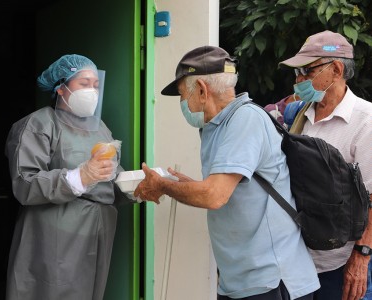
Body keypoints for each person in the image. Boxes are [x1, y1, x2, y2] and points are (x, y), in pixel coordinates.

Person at [134, 45, 320, 299]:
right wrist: (189, 185)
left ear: (201, 89)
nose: (182, 103)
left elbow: (214, 195)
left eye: (181, 95)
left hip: (271, 281)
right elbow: (226, 189)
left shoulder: (245, 120)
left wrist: (162, 185)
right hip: (242, 280)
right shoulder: (218, 126)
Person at [5, 54, 134, 300]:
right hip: (55, 234)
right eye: (83, 84)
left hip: (97, 232)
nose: (92, 91)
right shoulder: (38, 124)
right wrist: (78, 177)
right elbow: (25, 183)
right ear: (61, 88)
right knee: (50, 291)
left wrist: (136, 188)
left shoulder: (100, 128)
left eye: (96, 85)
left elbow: (109, 177)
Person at [279, 30, 372, 300]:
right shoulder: (299, 115)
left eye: (307, 71)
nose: (298, 80)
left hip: (342, 265)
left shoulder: (365, 121)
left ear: (337, 69)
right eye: (296, 73)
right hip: (300, 260)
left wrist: (362, 256)